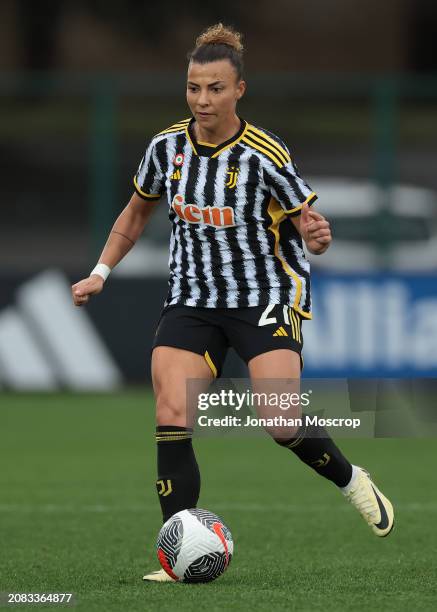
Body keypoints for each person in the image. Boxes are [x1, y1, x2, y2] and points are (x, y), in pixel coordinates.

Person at [72, 23, 394, 582]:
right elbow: (136, 212)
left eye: (215, 88)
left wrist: (317, 235)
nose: (202, 100)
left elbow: (305, 222)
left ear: (239, 90)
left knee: (278, 419)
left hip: (264, 293)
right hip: (192, 299)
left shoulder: (265, 152)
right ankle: (177, 555)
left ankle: (352, 480)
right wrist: (101, 271)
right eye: (194, 88)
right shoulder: (166, 147)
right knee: (172, 410)